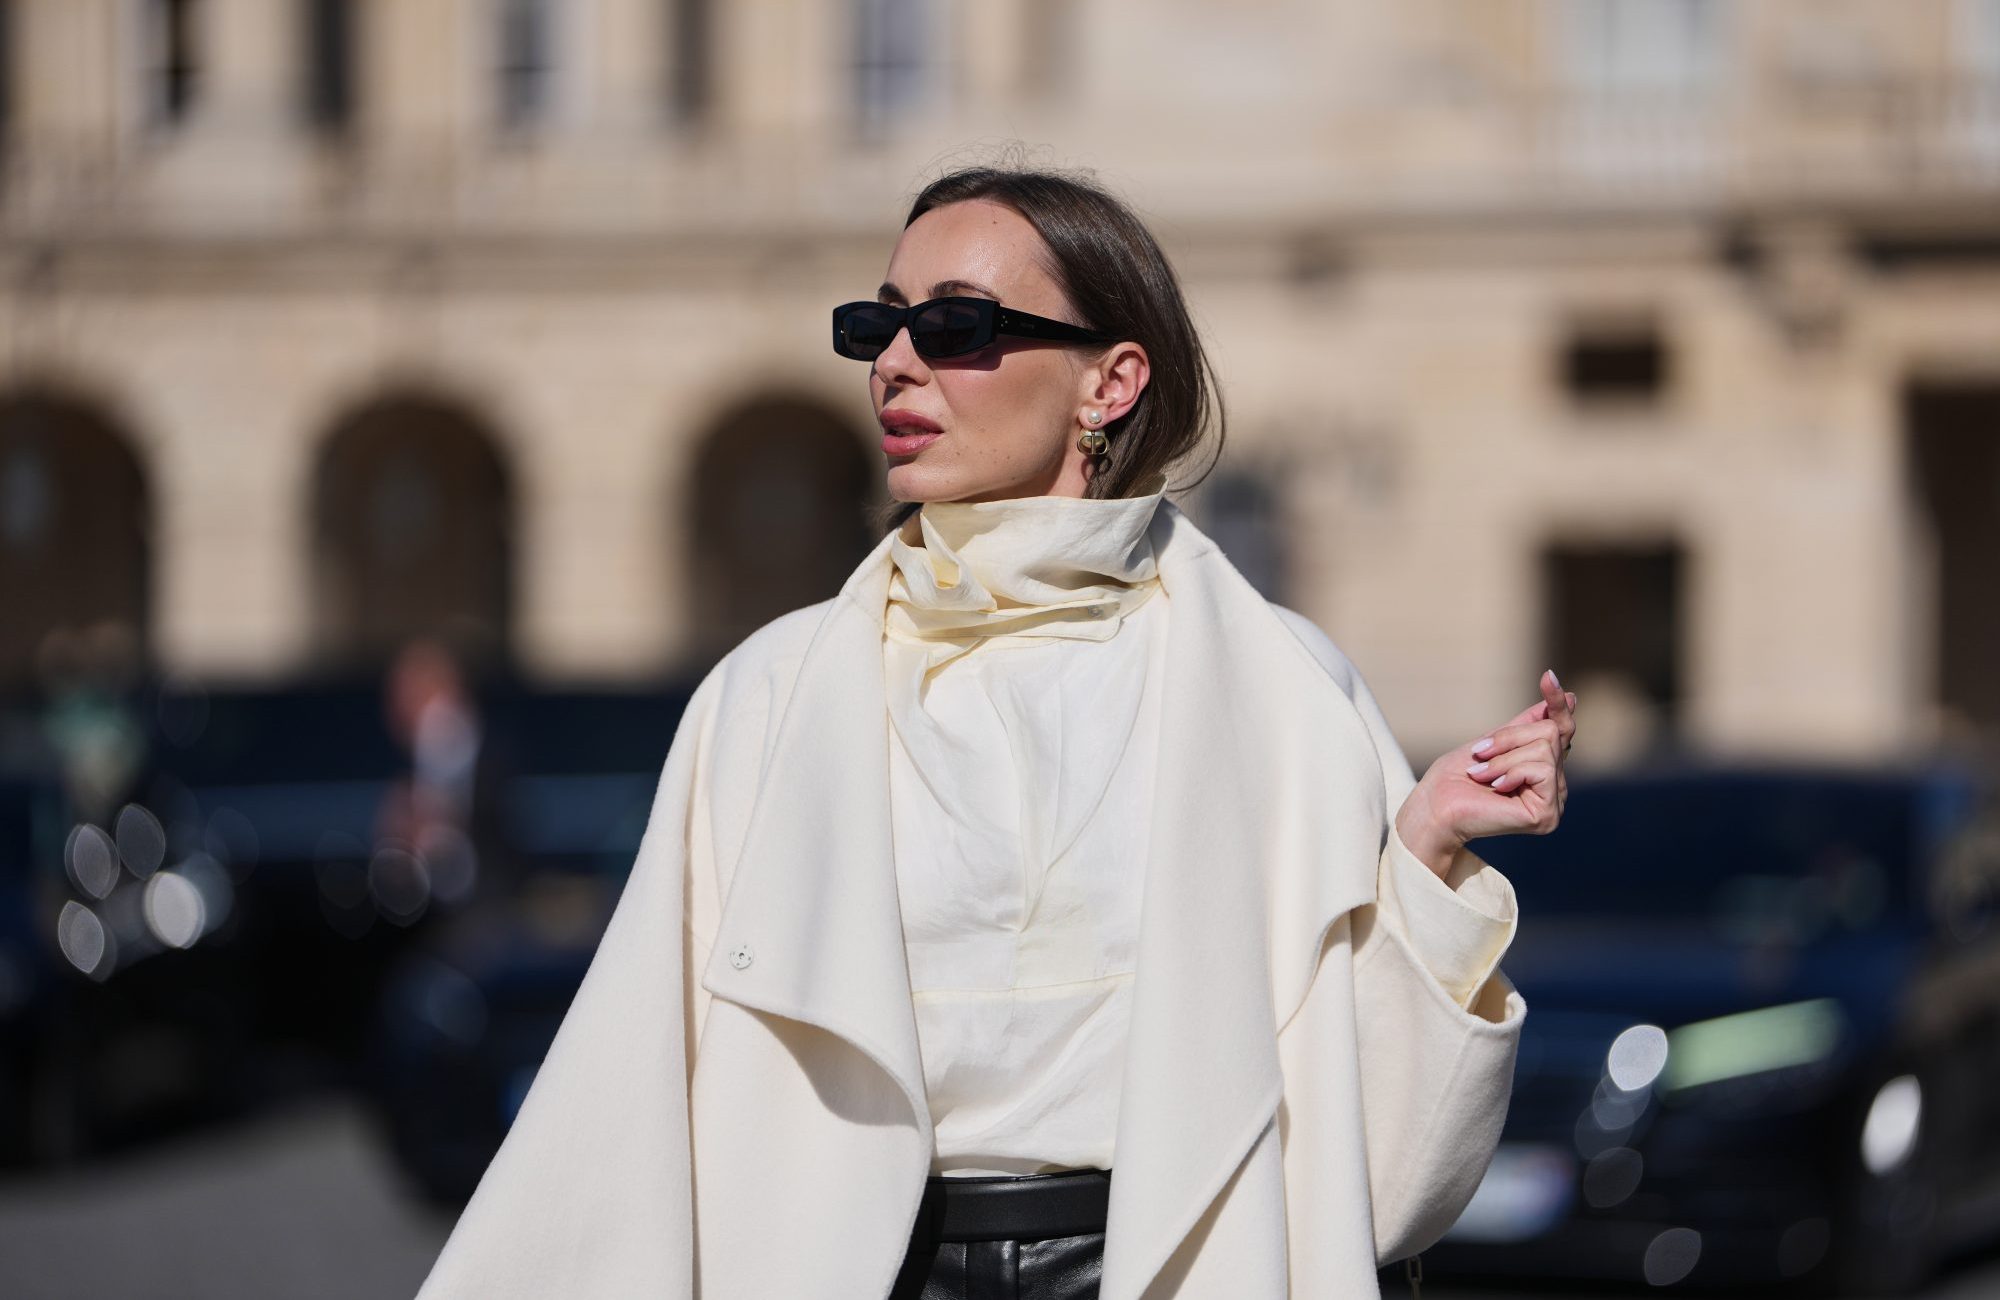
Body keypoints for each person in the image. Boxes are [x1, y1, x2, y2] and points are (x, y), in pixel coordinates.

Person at [415, 164, 1575, 1299]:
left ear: (1109, 382)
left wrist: (1422, 851)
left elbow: (1377, 1163)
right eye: (876, 326)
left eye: (955, 324)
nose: (896, 363)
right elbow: (622, 1104)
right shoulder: (765, 694)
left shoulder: (1282, 685)